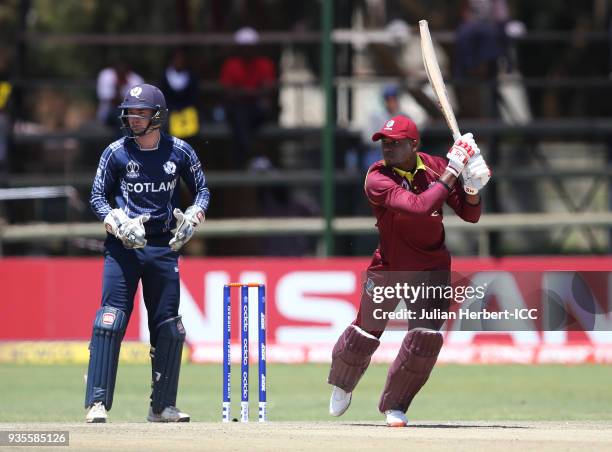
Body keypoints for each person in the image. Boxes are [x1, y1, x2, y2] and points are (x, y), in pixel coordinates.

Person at [327, 115, 490, 427]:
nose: (387, 148)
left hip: (432, 267)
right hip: (390, 267)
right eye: (384, 143)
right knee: (365, 332)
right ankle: (343, 383)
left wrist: (471, 186)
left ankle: (395, 406)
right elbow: (417, 206)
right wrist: (455, 169)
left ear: (414, 144)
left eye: (395, 143)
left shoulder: (436, 166)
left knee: (425, 340)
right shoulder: (377, 177)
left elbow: (470, 215)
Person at [85, 84, 210, 423]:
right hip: (124, 247)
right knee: (110, 320)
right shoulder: (116, 152)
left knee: (169, 327)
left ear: (157, 116)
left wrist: (193, 218)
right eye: (130, 112)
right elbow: (97, 197)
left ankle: (162, 406)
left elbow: (202, 191)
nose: (133, 117)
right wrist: (116, 221)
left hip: (162, 247)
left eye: (140, 112)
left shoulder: (179, 151)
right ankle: (96, 403)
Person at [219, 27, 276, 166]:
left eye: (250, 47)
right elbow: (228, 92)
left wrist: (243, 92)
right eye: (244, 47)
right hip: (239, 109)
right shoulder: (231, 65)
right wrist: (253, 92)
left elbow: (268, 89)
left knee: (242, 117)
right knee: (240, 114)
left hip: (256, 109)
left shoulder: (265, 64)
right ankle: (255, 156)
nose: (247, 51)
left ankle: (248, 157)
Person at [159, 48, 200, 139]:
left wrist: (183, 108)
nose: (179, 61)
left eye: (181, 59)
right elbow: (162, 96)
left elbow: (194, 95)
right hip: (170, 111)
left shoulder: (192, 76)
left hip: (187, 110)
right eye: (177, 59)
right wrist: (173, 108)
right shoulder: (165, 76)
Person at [96, 62, 144, 128]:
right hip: (108, 113)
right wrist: (118, 89)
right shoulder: (106, 75)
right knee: (119, 114)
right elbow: (110, 100)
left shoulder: (136, 80)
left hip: (132, 114)